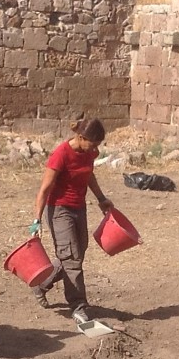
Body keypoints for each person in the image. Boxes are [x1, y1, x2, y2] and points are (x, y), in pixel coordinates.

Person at [30, 118, 112, 325]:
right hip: (59, 210)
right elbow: (45, 189)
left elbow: (89, 175)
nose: (95, 149)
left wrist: (101, 199)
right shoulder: (61, 154)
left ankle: (41, 284)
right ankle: (78, 307)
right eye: (93, 144)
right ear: (81, 137)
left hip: (79, 208)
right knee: (72, 258)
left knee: (76, 254)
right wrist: (36, 220)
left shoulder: (89, 153)